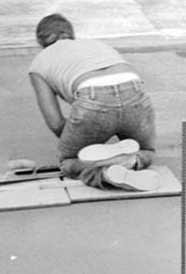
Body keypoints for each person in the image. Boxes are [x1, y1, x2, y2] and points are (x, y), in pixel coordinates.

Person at [28, 14, 160, 191]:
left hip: (92, 97)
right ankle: (128, 160)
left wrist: (81, 136)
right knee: (147, 151)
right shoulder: (97, 44)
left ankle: (105, 172)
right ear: (71, 34)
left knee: (69, 162)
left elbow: (56, 123)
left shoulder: (39, 64)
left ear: (40, 41)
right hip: (134, 89)